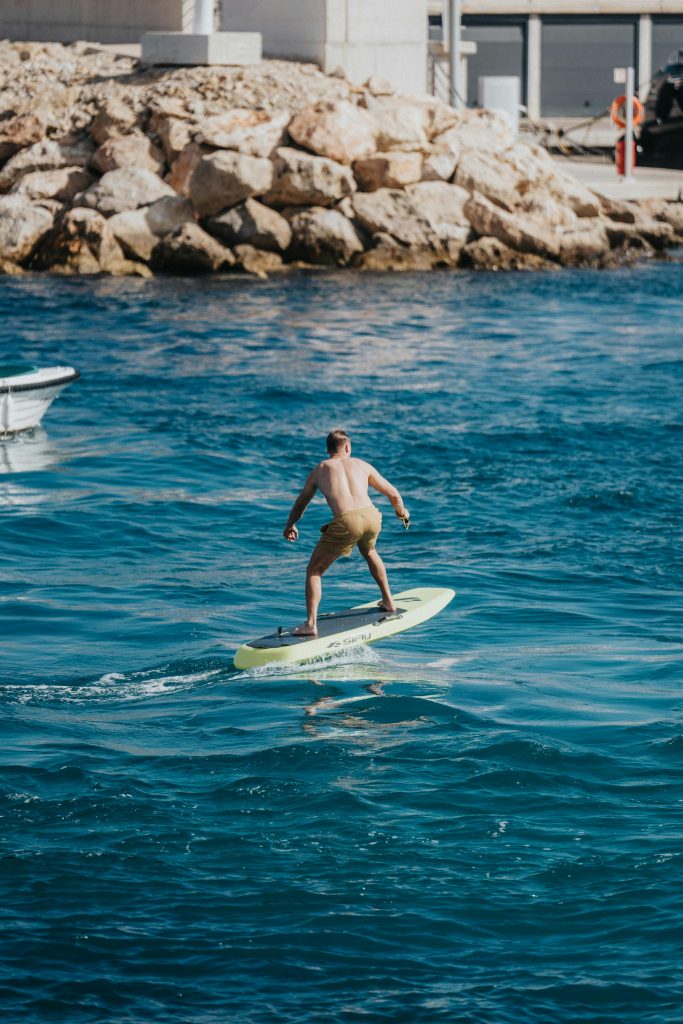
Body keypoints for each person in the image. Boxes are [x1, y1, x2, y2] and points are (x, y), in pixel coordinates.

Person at [283, 429, 410, 636]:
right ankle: (389, 601)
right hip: (371, 516)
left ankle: (311, 624)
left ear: (328, 450)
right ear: (348, 447)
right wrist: (403, 515)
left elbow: (301, 502)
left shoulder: (320, 469)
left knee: (314, 570)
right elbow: (394, 494)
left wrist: (291, 524)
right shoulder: (362, 465)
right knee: (370, 551)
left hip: (347, 521)